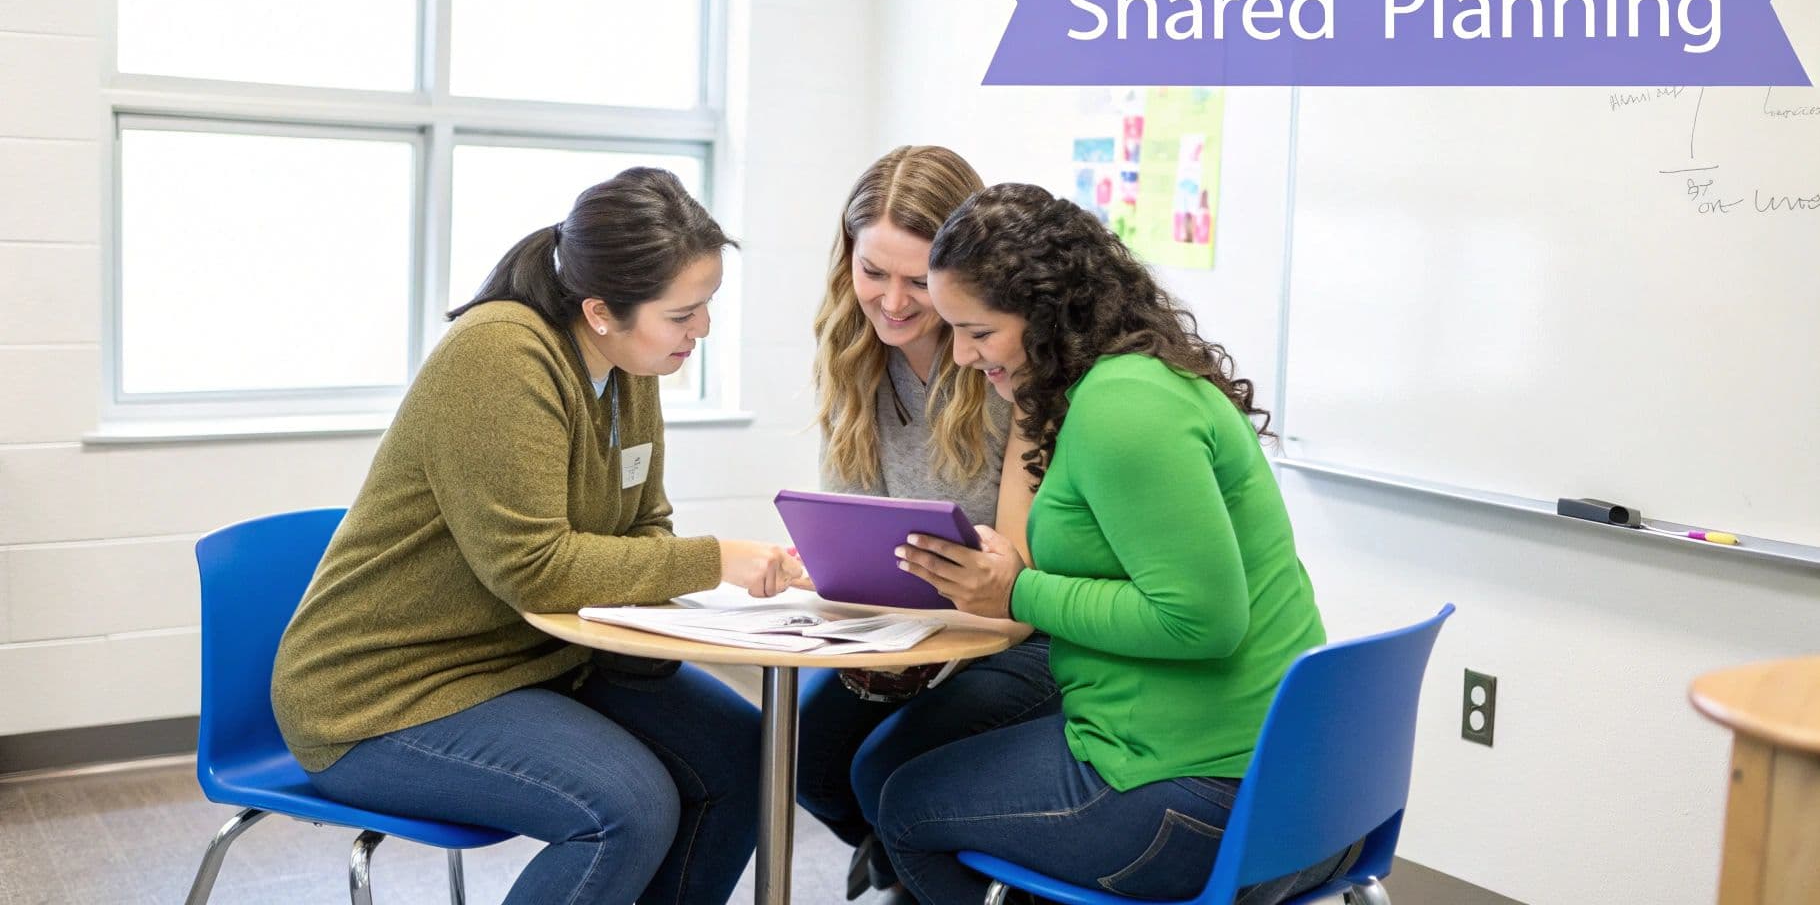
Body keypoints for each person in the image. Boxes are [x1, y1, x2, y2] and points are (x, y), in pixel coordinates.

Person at [271, 168, 802, 905]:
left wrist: (687, 595)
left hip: (541, 658)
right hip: (388, 693)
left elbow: (643, 524)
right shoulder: (498, 355)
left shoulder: (627, 360)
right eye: (684, 314)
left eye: (706, 306)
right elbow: (535, 569)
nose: (702, 330)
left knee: (749, 761)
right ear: (601, 310)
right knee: (626, 808)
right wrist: (717, 562)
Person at [880, 183, 1347, 905]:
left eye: (978, 331)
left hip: (1206, 799)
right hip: (1293, 792)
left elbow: (1200, 620)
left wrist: (1016, 591)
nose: (965, 357)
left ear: (1045, 312)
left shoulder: (1121, 409)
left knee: (906, 805)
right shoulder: (1139, 381)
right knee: (920, 767)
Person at [800, 148, 1062, 901]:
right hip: (908, 620)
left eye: (918, 281)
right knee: (806, 758)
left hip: (1021, 623)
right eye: (872, 271)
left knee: (890, 772)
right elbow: (853, 527)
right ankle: (897, 848)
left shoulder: (1008, 357)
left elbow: (1018, 562)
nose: (892, 301)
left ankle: (910, 856)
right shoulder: (853, 350)